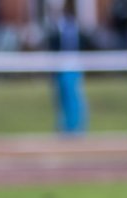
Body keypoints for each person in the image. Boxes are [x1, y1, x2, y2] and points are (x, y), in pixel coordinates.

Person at [45, 0, 94, 136]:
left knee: (75, 98)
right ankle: (64, 128)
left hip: (74, 67)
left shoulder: (77, 27)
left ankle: (77, 128)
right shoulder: (55, 27)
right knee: (61, 98)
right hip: (60, 68)